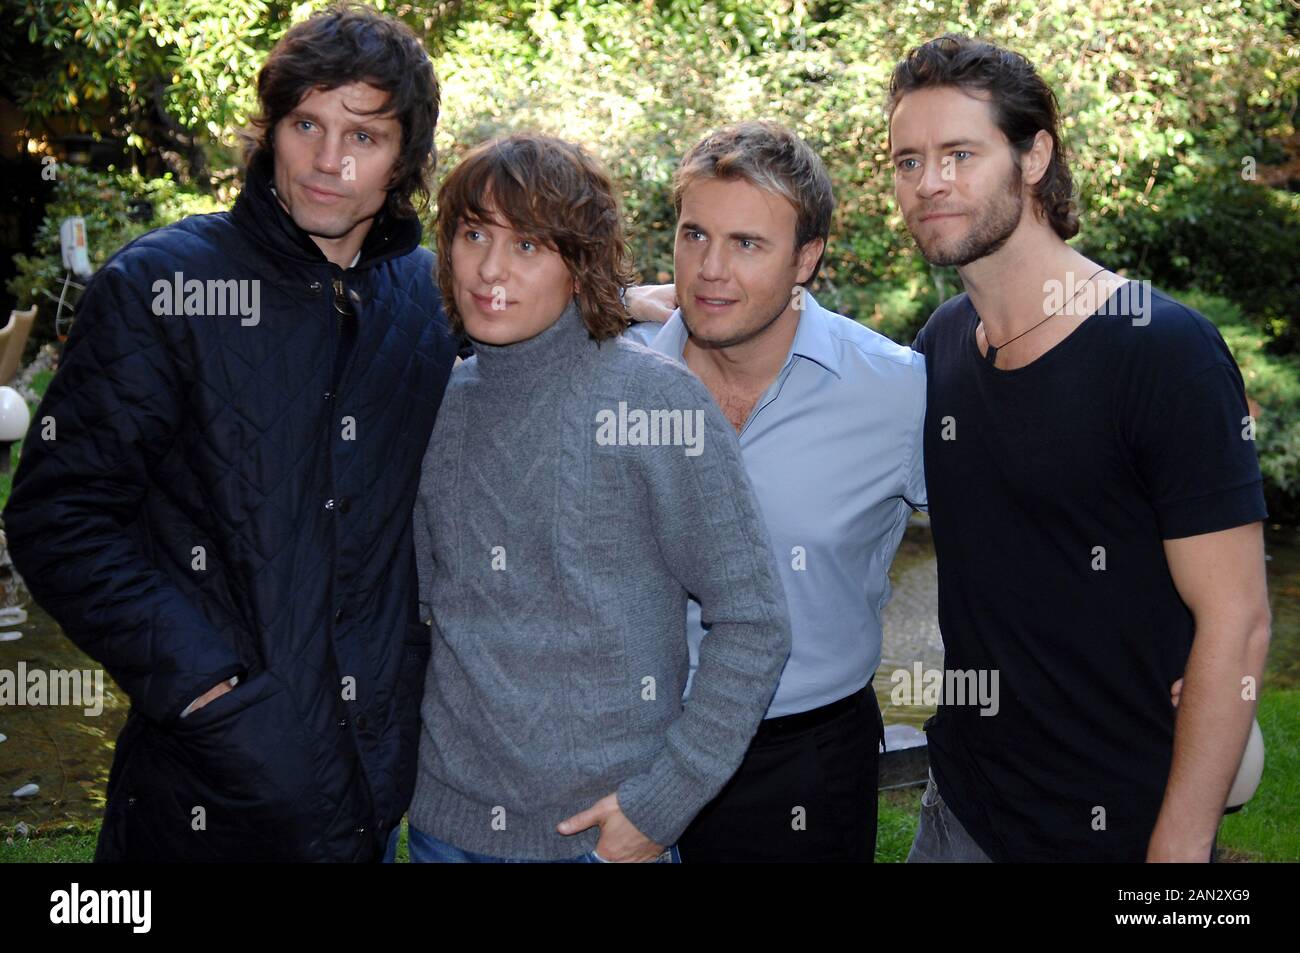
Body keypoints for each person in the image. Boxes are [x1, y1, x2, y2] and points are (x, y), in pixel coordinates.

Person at [3, 5, 458, 861]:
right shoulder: (160, 286)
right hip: (201, 785)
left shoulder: (431, 302)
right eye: (307, 125)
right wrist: (208, 688)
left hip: (374, 779)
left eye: (365, 137)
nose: (330, 161)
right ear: (272, 130)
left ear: (405, 160)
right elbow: (57, 515)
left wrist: (646, 312)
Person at [888, 34, 1271, 862]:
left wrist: (1178, 851)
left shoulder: (1162, 349)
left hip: (1122, 827)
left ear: (1034, 157)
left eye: (960, 152)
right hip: (961, 812)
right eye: (907, 160)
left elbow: (1237, 621)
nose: (930, 183)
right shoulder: (943, 343)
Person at [405, 132, 792, 862]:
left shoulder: (656, 400)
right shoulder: (441, 402)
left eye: (528, 247)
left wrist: (663, 802)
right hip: (444, 830)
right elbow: (431, 609)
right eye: (474, 234)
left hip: (603, 838)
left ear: (580, 265)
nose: (491, 268)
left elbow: (754, 621)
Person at [628, 120, 928, 862]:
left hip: (804, 761)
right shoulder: (613, 372)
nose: (710, 270)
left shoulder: (894, 393)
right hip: (629, 741)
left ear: (808, 259)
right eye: (695, 235)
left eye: (748, 244)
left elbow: (1011, 551)